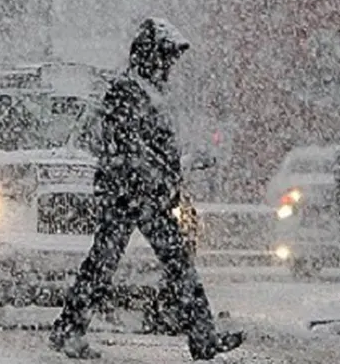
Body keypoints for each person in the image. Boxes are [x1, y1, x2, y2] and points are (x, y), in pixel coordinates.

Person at [49, 18, 243, 360]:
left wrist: (176, 167)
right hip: (133, 194)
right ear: (151, 57)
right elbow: (129, 147)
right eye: (166, 59)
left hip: (140, 193)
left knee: (113, 262)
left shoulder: (145, 92)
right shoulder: (127, 92)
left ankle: (70, 328)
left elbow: (148, 150)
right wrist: (156, 177)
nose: (170, 67)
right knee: (167, 263)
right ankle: (201, 336)